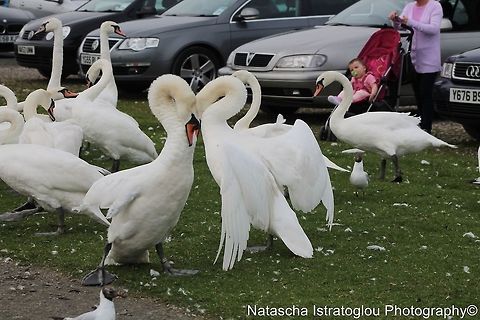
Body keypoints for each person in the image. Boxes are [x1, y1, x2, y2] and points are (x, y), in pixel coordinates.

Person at [389, 0, 443, 133]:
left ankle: (426, 127)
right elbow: (400, 27)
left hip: (429, 59)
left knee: (426, 93)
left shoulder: (435, 6)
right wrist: (395, 20)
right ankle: (420, 125)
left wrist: (411, 23)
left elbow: (433, 29)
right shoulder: (409, 6)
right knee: (418, 94)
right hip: (414, 59)